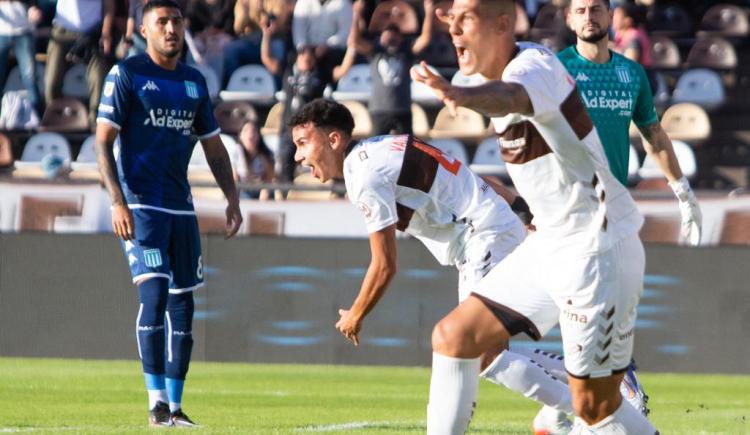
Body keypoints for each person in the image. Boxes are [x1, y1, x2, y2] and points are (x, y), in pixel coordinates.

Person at [290, 98, 635, 435]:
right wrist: (521, 209)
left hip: (481, 236)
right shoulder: (385, 147)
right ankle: (595, 382)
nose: (298, 156)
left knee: (477, 350)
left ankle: (595, 415)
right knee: (486, 349)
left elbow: (384, 265)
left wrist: (356, 314)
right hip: (490, 229)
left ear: (333, 139)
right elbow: (468, 177)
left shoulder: (362, 175)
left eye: (303, 143)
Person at [411, 0, 658, 433]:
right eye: (454, 20)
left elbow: (512, 98)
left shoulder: (531, 68)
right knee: (455, 337)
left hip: (595, 247)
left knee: (595, 409)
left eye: (467, 19)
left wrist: (461, 95)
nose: (455, 31)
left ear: (503, 24)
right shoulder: (506, 68)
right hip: (551, 242)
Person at [94, 0, 242, 427]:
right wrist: (117, 201)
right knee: (154, 296)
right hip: (141, 205)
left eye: (176, 21)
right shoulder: (128, 75)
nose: (171, 29)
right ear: (144, 30)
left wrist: (231, 198)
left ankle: (176, 407)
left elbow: (213, 147)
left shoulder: (195, 82)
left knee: (184, 309)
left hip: (181, 207)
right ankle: (155, 402)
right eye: (162, 22)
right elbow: (103, 141)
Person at [559, 0, 701, 246]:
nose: (588, 17)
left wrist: (684, 194)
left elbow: (654, 137)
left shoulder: (632, 73)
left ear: (611, 16)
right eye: (580, 11)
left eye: (596, 9)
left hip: (616, 204)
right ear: (570, 20)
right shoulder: (556, 70)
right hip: (566, 208)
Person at [334, 0, 435, 135]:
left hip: (403, 109)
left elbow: (425, 39)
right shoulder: (376, 51)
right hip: (379, 110)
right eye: (387, 35)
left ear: (400, 37)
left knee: (406, 149)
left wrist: (429, 12)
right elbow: (354, 41)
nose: (390, 39)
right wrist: (356, 14)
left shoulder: (406, 51)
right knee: (379, 147)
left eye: (394, 35)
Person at [44, 0, 115, 128]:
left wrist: (106, 32)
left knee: (98, 77)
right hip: (62, 32)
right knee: (51, 82)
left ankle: (95, 122)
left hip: (92, 33)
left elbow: (109, 5)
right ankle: (55, 118)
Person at [0, 0, 43, 112]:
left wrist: (34, 10)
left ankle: (36, 115)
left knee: (30, 77)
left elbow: (34, 6)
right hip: (1, 32)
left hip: (23, 32)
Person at [237, 119, 275, 200]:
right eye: (246, 131)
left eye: (254, 131)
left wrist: (264, 192)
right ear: (240, 135)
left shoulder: (265, 154)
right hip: (244, 190)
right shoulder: (236, 153)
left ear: (258, 136)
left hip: (262, 189)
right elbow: (234, 180)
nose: (250, 135)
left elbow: (269, 178)